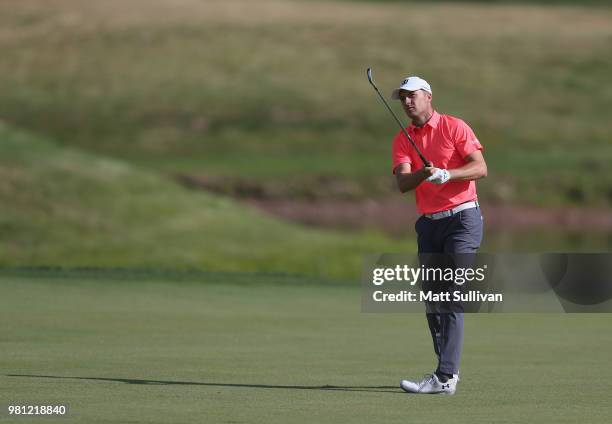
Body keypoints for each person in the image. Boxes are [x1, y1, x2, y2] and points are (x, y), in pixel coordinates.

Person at [390, 76, 487, 395]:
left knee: (453, 296)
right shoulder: (403, 138)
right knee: (433, 299)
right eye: (402, 97)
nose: (406, 102)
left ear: (428, 96)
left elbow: (480, 167)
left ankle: (444, 376)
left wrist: (448, 173)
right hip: (429, 225)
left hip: (462, 219)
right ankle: (447, 372)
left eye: (411, 95)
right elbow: (403, 185)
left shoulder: (455, 127)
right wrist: (424, 173)